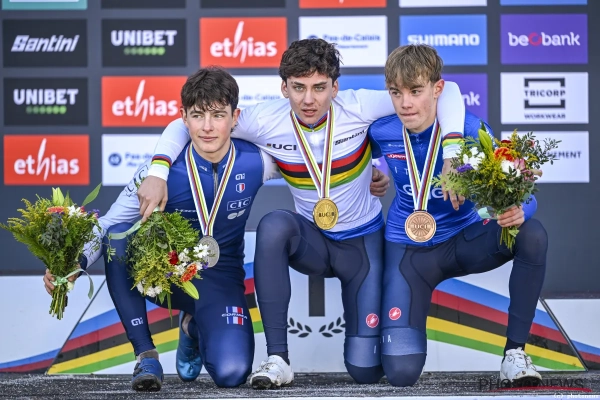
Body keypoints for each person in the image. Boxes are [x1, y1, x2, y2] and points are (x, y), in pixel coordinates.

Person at [136, 38, 466, 389]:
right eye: (298, 88)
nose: (309, 99)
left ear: (335, 88)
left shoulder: (360, 105)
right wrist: (158, 170)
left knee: (365, 370)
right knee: (275, 225)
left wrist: (453, 153)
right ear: (284, 88)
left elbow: (447, 91)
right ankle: (278, 358)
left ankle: (197, 329)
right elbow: (186, 122)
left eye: (319, 88)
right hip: (314, 242)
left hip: (361, 246)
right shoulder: (265, 119)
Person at [44, 67, 283, 391]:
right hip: (167, 275)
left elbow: (307, 171)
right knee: (117, 239)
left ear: (235, 117)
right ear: (184, 118)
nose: (208, 127)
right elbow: (109, 224)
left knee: (232, 372)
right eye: (197, 116)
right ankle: (146, 354)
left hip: (221, 278)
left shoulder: (259, 161)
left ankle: (192, 328)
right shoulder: (158, 172)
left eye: (218, 115)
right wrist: (76, 261)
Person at [368, 44, 547, 387]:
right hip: (408, 251)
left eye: (416, 91)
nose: (405, 103)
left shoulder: (470, 128)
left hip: (464, 240)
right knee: (401, 373)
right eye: (396, 93)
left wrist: (519, 210)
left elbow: (522, 192)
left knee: (532, 234)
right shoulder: (381, 130)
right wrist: (373, 172)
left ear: (438, 89)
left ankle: (515, 354)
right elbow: (355, 158)